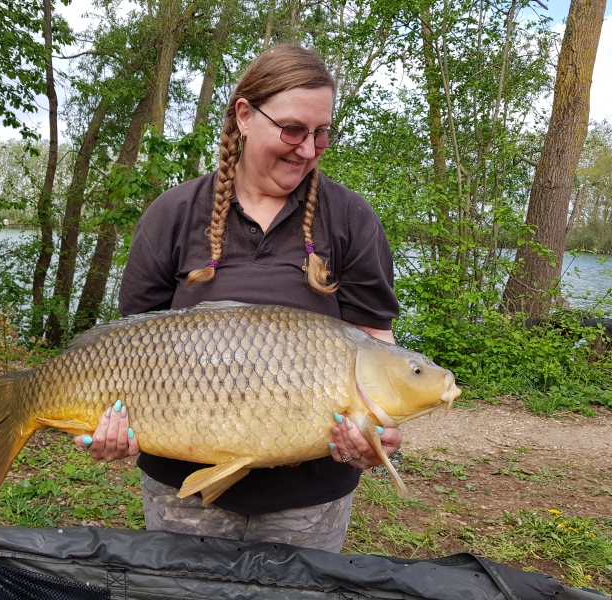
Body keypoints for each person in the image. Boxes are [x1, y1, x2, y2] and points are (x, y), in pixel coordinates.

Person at [74, 44, 402, 553]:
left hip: (309, 496)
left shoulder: (351, 218)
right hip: (181, 490)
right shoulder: (174, 213)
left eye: (321, 133)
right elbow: (131, 347)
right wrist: (110, 425)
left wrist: (379, 437)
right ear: (245, 116)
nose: (308, 149)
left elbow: (377, 346)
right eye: (293, 130)